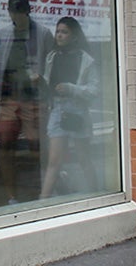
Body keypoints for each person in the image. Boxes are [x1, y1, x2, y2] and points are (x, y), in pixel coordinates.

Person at [0, 0, 53, 204]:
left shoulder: (42, 33)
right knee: (6, 144)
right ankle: (12, 196)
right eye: (14, 13)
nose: (17, 17)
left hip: (33, 97)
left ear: (27, 11)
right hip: (10, 96)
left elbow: (52, 63)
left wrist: (44, 82)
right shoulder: (4, 34)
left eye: (20, 12)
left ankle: (43, 189)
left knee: (36, 144)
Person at [40, 16, 97, 199]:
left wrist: (72, 89)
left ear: (74, 36)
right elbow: (48, 83)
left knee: (83, 158)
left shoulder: (86, 59)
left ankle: (96, 195)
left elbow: (94, 90)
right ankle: (43, 200)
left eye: (64, 32)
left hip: (77, 110)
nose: (59, 35)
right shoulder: (52, 57)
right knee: (54, 160)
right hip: (57, 109)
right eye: (57, 31)